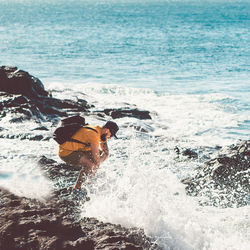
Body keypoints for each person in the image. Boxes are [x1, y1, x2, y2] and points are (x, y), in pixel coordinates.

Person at [58, 121, 119, 190]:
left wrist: (99, 160)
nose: (110, 137)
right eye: (111, 135)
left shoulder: (100, 132)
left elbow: (106, 152)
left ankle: (89, 182)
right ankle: (77, 188)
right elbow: (97, 159)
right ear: (107, 130)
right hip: (66, 152)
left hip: (78, 149)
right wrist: (98, 161)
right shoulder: (94, 135)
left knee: (96, 159)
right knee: (90, 164)